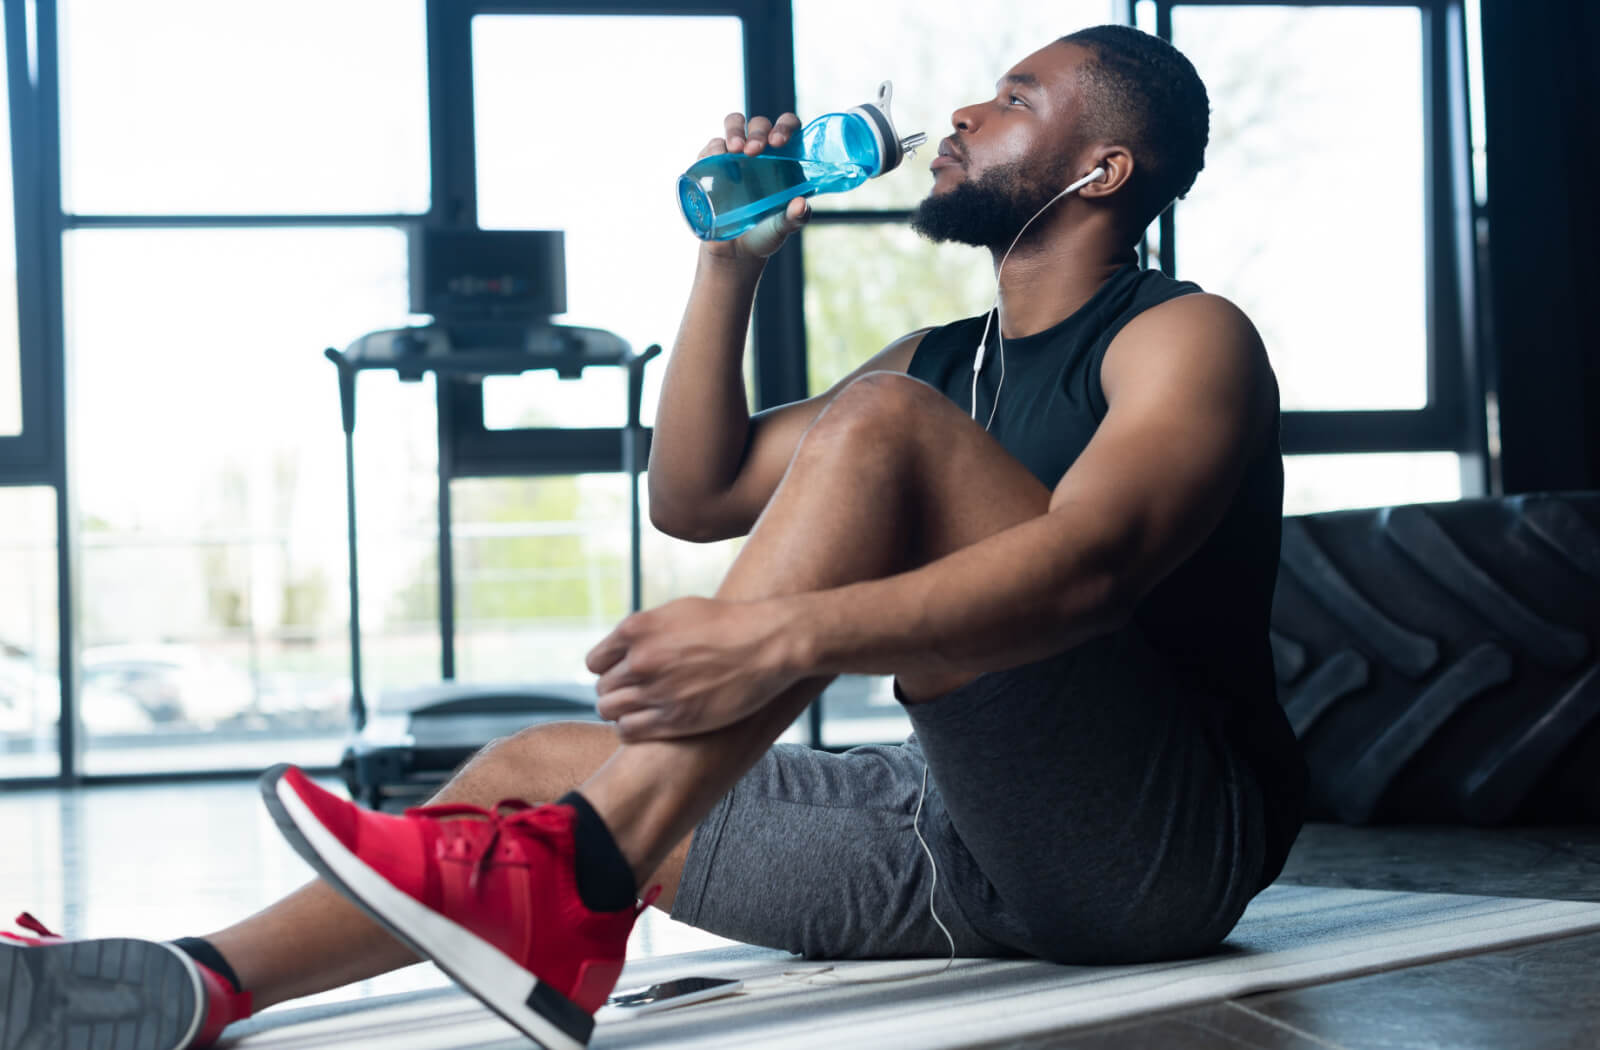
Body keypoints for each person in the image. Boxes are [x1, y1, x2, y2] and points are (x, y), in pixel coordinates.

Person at [1, 24, 1306, 1050]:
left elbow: (1089, 569)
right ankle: (202, 979)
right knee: (525, 759)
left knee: (880, 422)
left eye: (1014, 99)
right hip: (961, 837)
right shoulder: (946, 363)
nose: (964, 113)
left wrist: (776, 636)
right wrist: (725, 269)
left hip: (1154, 846)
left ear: (1103, 171)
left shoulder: (1186, 336)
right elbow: (698, 489)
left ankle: (578, 870)